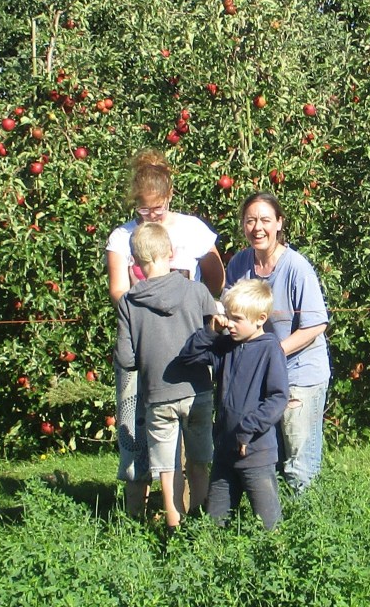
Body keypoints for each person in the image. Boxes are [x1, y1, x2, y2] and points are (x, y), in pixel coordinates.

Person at [105, 148, 224, 517]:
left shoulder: (191, 229)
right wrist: (150, 313)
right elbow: (118, 289)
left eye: (156, 209)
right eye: (143, 211)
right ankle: (136, 512)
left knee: (188, 433)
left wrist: (193, 308)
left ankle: (184, 512)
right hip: (144, 343)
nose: (150, 216)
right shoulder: (122, 236)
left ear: (170, 196)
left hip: (186, 345)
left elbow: (215, 277)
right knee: (135, 425)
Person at [114, 223, 217, 534]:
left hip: (158, 396)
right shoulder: (197, 291)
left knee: (167, 467)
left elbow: (126, 359)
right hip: (198, 391)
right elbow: (212, 339)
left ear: (134, 261)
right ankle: (202, 521)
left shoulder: (129, 302)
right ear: (171, 252)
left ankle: (175, 528)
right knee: (199, 461)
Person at [224, 191, 330, 493]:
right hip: (261, 374)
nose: (257, 228)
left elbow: (316, 324)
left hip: (300, 372)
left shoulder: (296, 267)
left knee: (298, 460)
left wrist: (271, 353)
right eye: (250, 221)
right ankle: (272, 516)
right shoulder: (240, 264)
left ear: (279, 223)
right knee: (270, 452)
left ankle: (307, 517)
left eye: (265, 220)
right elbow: (229, 309)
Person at [179, 279, 288, 530]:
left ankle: (277, 552)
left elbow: (278, 397)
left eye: (237, 319)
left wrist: (248, 428)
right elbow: (188, 357)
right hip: (224, 450)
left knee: (268, 523)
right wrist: (210, 332)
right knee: (215, 523)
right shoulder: (225, 346)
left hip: (256, 452)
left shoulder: (270, 349)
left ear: (260, 319)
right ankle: (214, 552)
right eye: (228, 316)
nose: (230, 324)